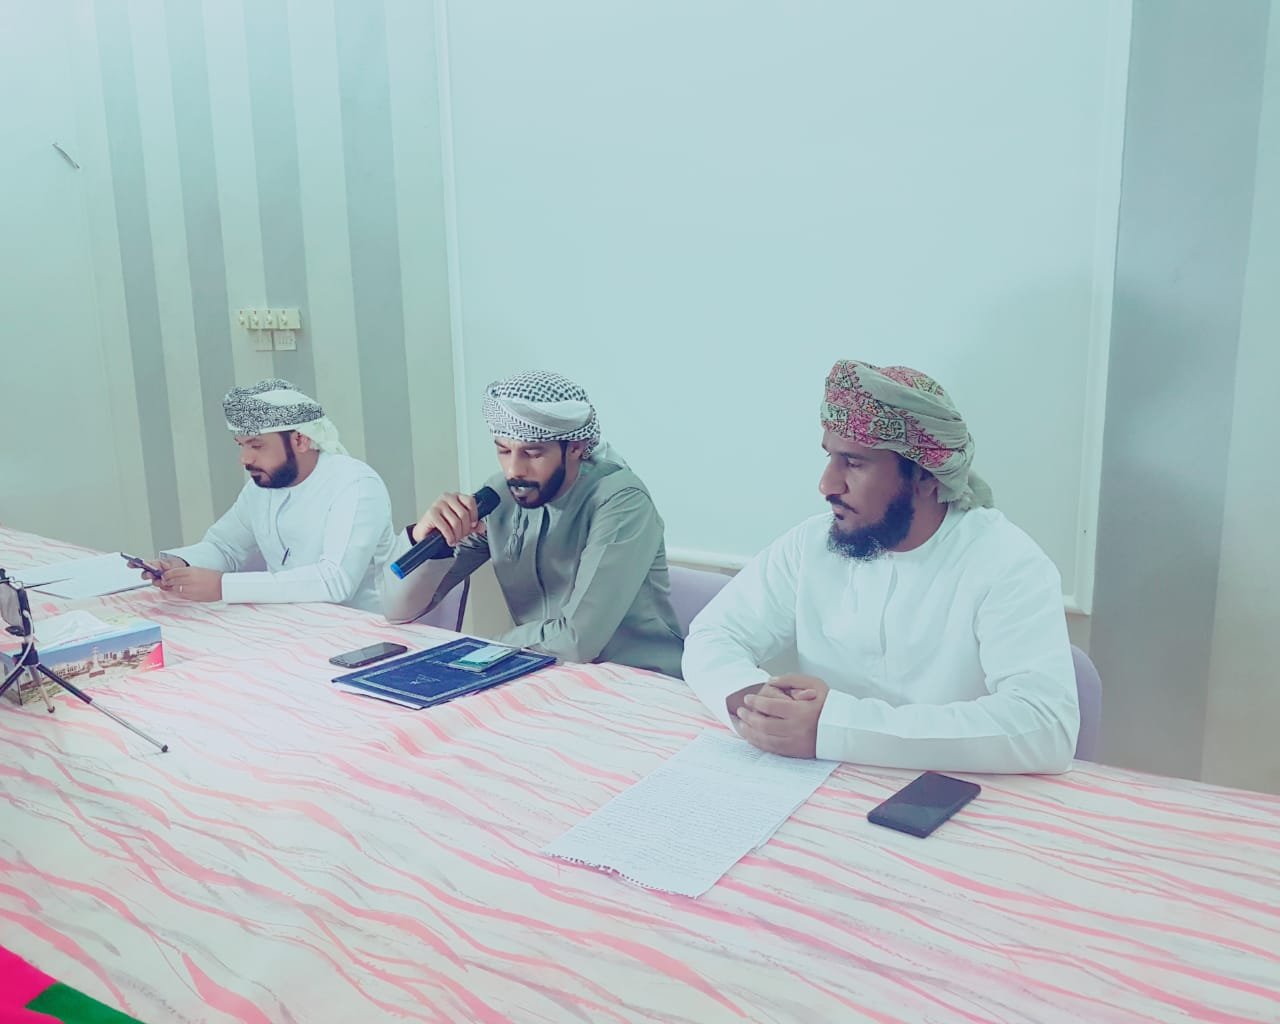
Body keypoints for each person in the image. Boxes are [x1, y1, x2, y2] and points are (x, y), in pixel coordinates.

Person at [682, 359, 1079, 773]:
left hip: (949, 795)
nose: (827, 485)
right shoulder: (811, 544)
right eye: (830, 458)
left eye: (854, 463)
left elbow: (1046, 726)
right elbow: (714, 635)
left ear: (925, 477)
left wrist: (834, 728)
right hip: (817, 786)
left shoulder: (1008, 564)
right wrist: (753, 702)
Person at [382, 371, 683, 676]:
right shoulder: (500, 495)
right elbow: (397, 611)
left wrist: (482, 651)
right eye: (503, 450)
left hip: (640, 681)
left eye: (533, 453)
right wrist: (427, 542)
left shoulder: (621, 501)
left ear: (576, 447)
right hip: (544, 674)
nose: (514, 470)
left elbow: (577, 641)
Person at [147, 379, 394, 613]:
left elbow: (335, 580)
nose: (245, 459)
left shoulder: (354, 485)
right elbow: (225, 547)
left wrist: (224, 587)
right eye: (241, 445)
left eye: (256, 445)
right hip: (290, 622)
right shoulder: (261, 487)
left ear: (300, 440)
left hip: (363, 628)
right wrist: (181, 565)